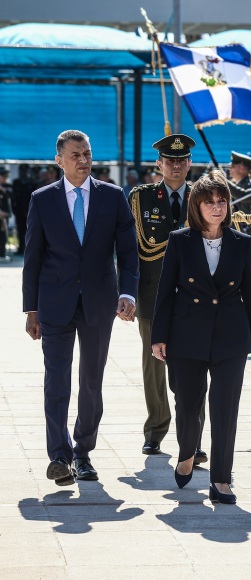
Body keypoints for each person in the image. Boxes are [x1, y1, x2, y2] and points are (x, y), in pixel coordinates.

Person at [22, 129, 138, 485]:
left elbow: (128, 251)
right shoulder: (42, 200)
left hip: (99, 303)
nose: (84, 160)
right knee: (56, 381)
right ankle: (59, 455)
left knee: (91, 381)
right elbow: (33, 255)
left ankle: (82, 452)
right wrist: (31, 308)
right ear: (59, 160)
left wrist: (128, 294)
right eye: (75, 155)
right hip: (54, 304)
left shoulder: (113, 196)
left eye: (87, 153)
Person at [150, 169, 251, 504]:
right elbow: (165, 293)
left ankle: (221, 479)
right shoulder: (179, 240)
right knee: (188, 406)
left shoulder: (241, 243)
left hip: (231, 335)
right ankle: (187, 451)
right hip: (186, 334)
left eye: (222, 201)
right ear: (196, 207)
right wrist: (159, 336)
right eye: (209, 202)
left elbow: (250, 292)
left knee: (225, 407)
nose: (217, 208)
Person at [129, 134, 207, 460]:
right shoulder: (142, 198)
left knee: (193, 368)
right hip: (153, 293)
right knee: (154, 366)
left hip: (193, 298)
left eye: (182, 160)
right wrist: (126, 294)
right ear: (159, 164)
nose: (176, 165)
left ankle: (192, 439)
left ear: (189, 163)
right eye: (170, 160)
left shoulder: (203, 198)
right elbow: (133, 249)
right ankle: (155, 430)